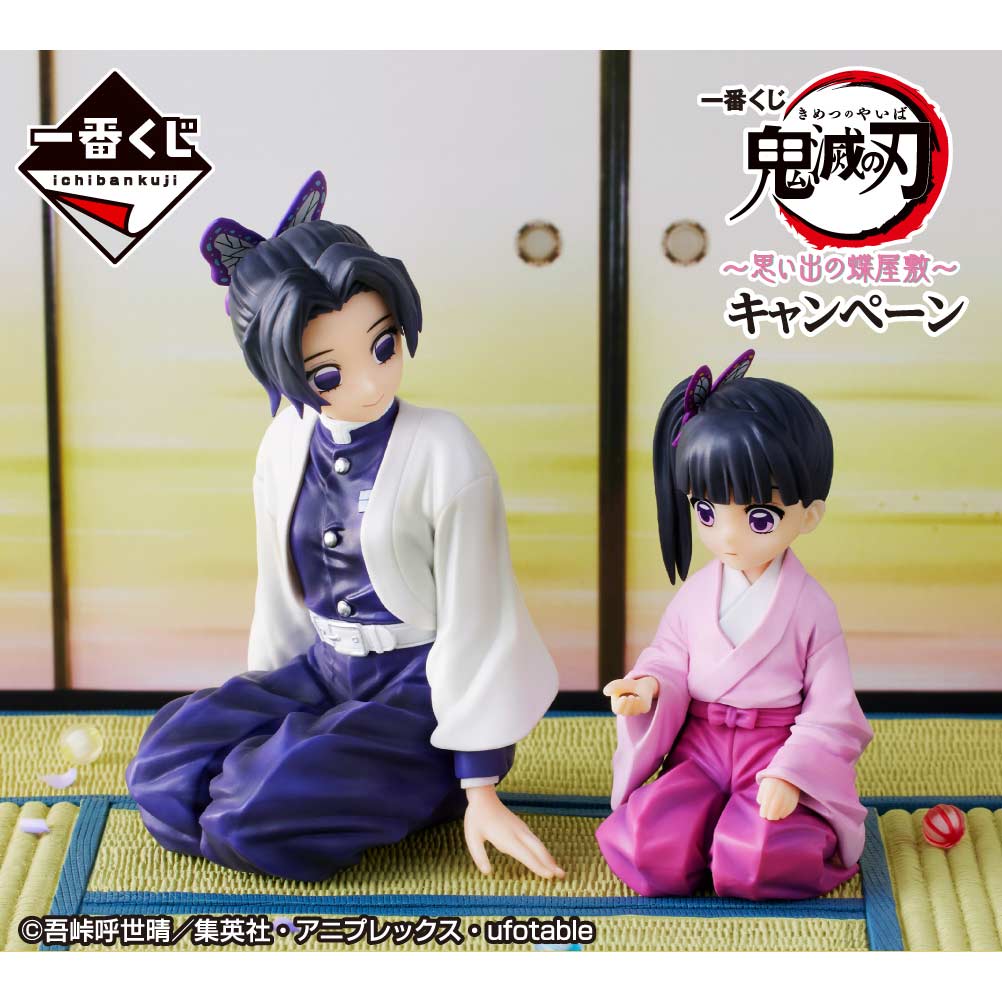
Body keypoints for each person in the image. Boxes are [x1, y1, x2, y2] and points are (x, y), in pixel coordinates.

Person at [126, 171, 563, 883]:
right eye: (327, 375)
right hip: (322, 668)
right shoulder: (284, 443)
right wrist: (265, 700)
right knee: (166, 771)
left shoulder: (445, 449)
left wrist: (479, 780)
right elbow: (279, 589)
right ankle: (304, 771)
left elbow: (482, 617)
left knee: (250, 816)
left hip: (420, 692)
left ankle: (415, 784)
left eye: (383, 347)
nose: (368, 383)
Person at [596, 350, 872, 900]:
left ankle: (750, 829)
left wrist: (791, 773)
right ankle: (705, 831)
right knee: (650, 844)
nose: (726, 536)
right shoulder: (697, 594)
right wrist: (648, 686)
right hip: (699, 747)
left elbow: (832, 709)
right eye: (706, 512)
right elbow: (670, 656)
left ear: (809, 515)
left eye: (758, 517)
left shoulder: (811, 608)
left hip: (775, 746)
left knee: (759, 857)